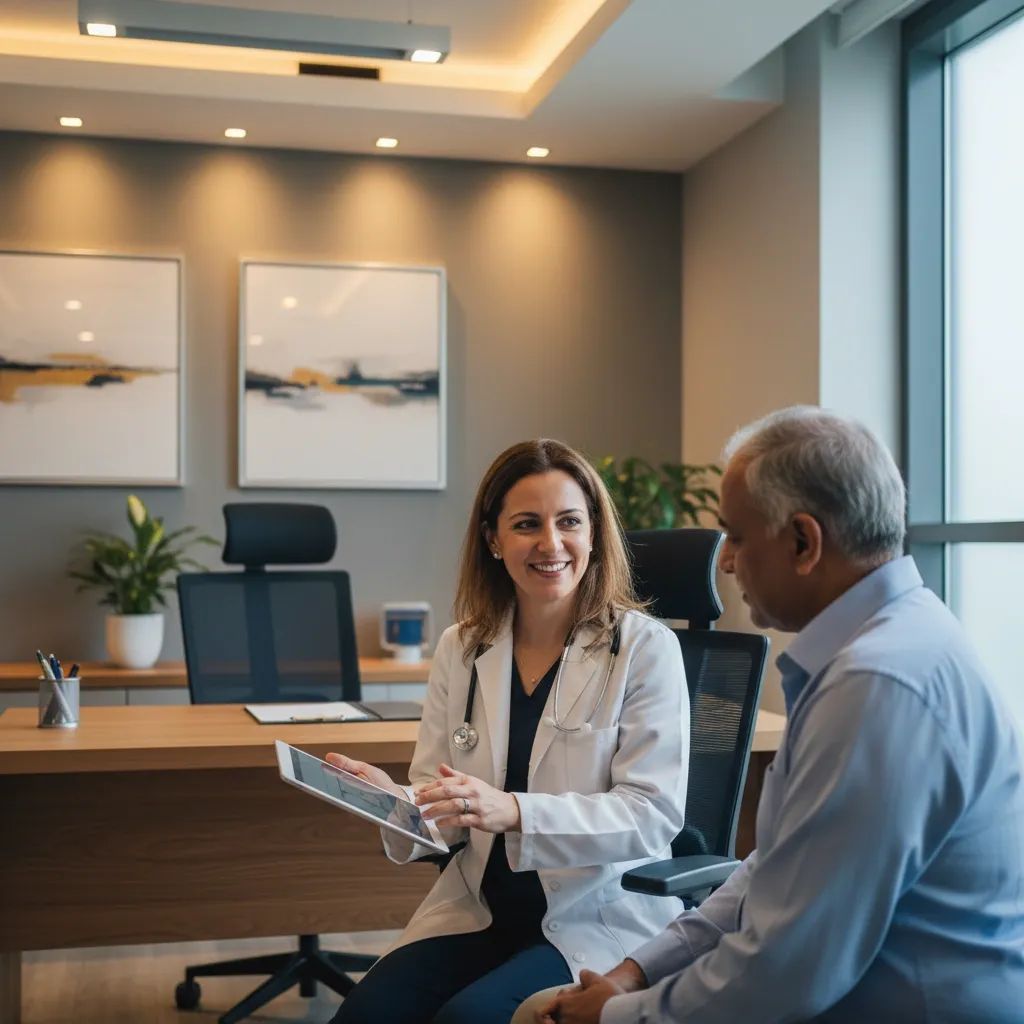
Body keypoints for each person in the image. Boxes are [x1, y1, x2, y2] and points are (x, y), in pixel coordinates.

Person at [530, 406, 1024, 1024]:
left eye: (735, 536)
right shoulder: (890, 643)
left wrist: (620, 1015)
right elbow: (774, 870)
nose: (727, 562)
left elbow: (789, 970)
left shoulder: (876, 685)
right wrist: (639, 969)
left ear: (802, 542)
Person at [327, 438, 690, 1024]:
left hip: (589, 916)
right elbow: (440, 806)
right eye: (526, 524)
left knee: (468, 1020)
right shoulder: (463, 647)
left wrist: (514, 811)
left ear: (594, 533)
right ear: (494, 540)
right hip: (478, 909)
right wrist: (391, 801)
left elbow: (652, 815)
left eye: (569, 521)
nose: (551, 544)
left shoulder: (646, 649)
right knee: (364, 1013)